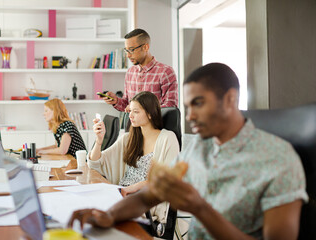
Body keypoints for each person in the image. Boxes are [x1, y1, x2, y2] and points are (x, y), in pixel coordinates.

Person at [67, 63, 308, 239]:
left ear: (230, 99)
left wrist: (200, 208)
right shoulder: (198, 151)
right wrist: (109, 215)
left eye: (198, 104)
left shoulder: (278, 159)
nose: (190, 116)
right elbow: (148, 195)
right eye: (187, 106)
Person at [88, 91, 179, 224]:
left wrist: (128, 189)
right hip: (122, 195)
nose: (130, 115)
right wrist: (99, 140)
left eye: (135, 111)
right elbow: (95, 163)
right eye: (130, 111)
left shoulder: (167, 138)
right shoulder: (128, 139)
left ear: (149, 113)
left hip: (144, 202)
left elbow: (166, 180)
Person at [101, 28, 178, 112]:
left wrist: (138, 110)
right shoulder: (130, 72)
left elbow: (170, 107)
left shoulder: (165, 72)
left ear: (145, 47)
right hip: (132, 125)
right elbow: (127, 104)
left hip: (155, 125)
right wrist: (116, 101)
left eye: (131, 50)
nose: (128, 55)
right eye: (126, 50)